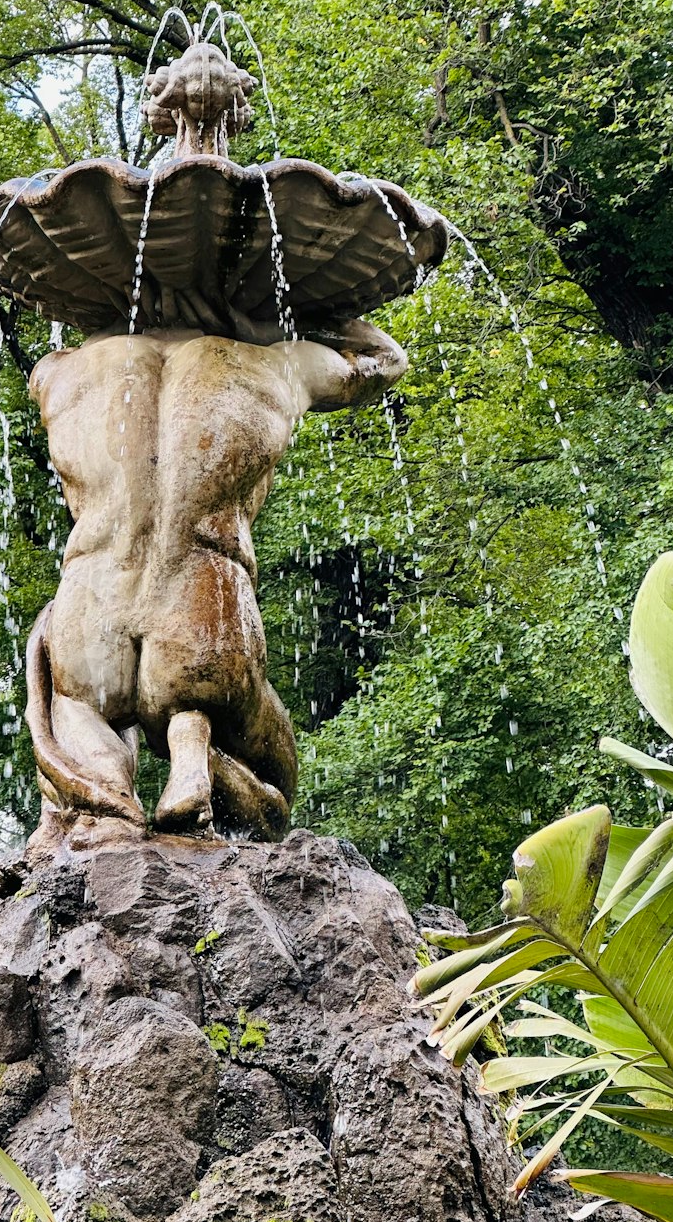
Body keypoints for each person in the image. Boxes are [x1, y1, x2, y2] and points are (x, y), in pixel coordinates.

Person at [24, 316, 407, 843]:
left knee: (78, 712)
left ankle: (107, 797)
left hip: (90, 599)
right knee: (273, 786)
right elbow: (384, 361)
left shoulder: (61, 372)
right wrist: (296, 311)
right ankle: (193, 747)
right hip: (205, 596)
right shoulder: (276, 364)